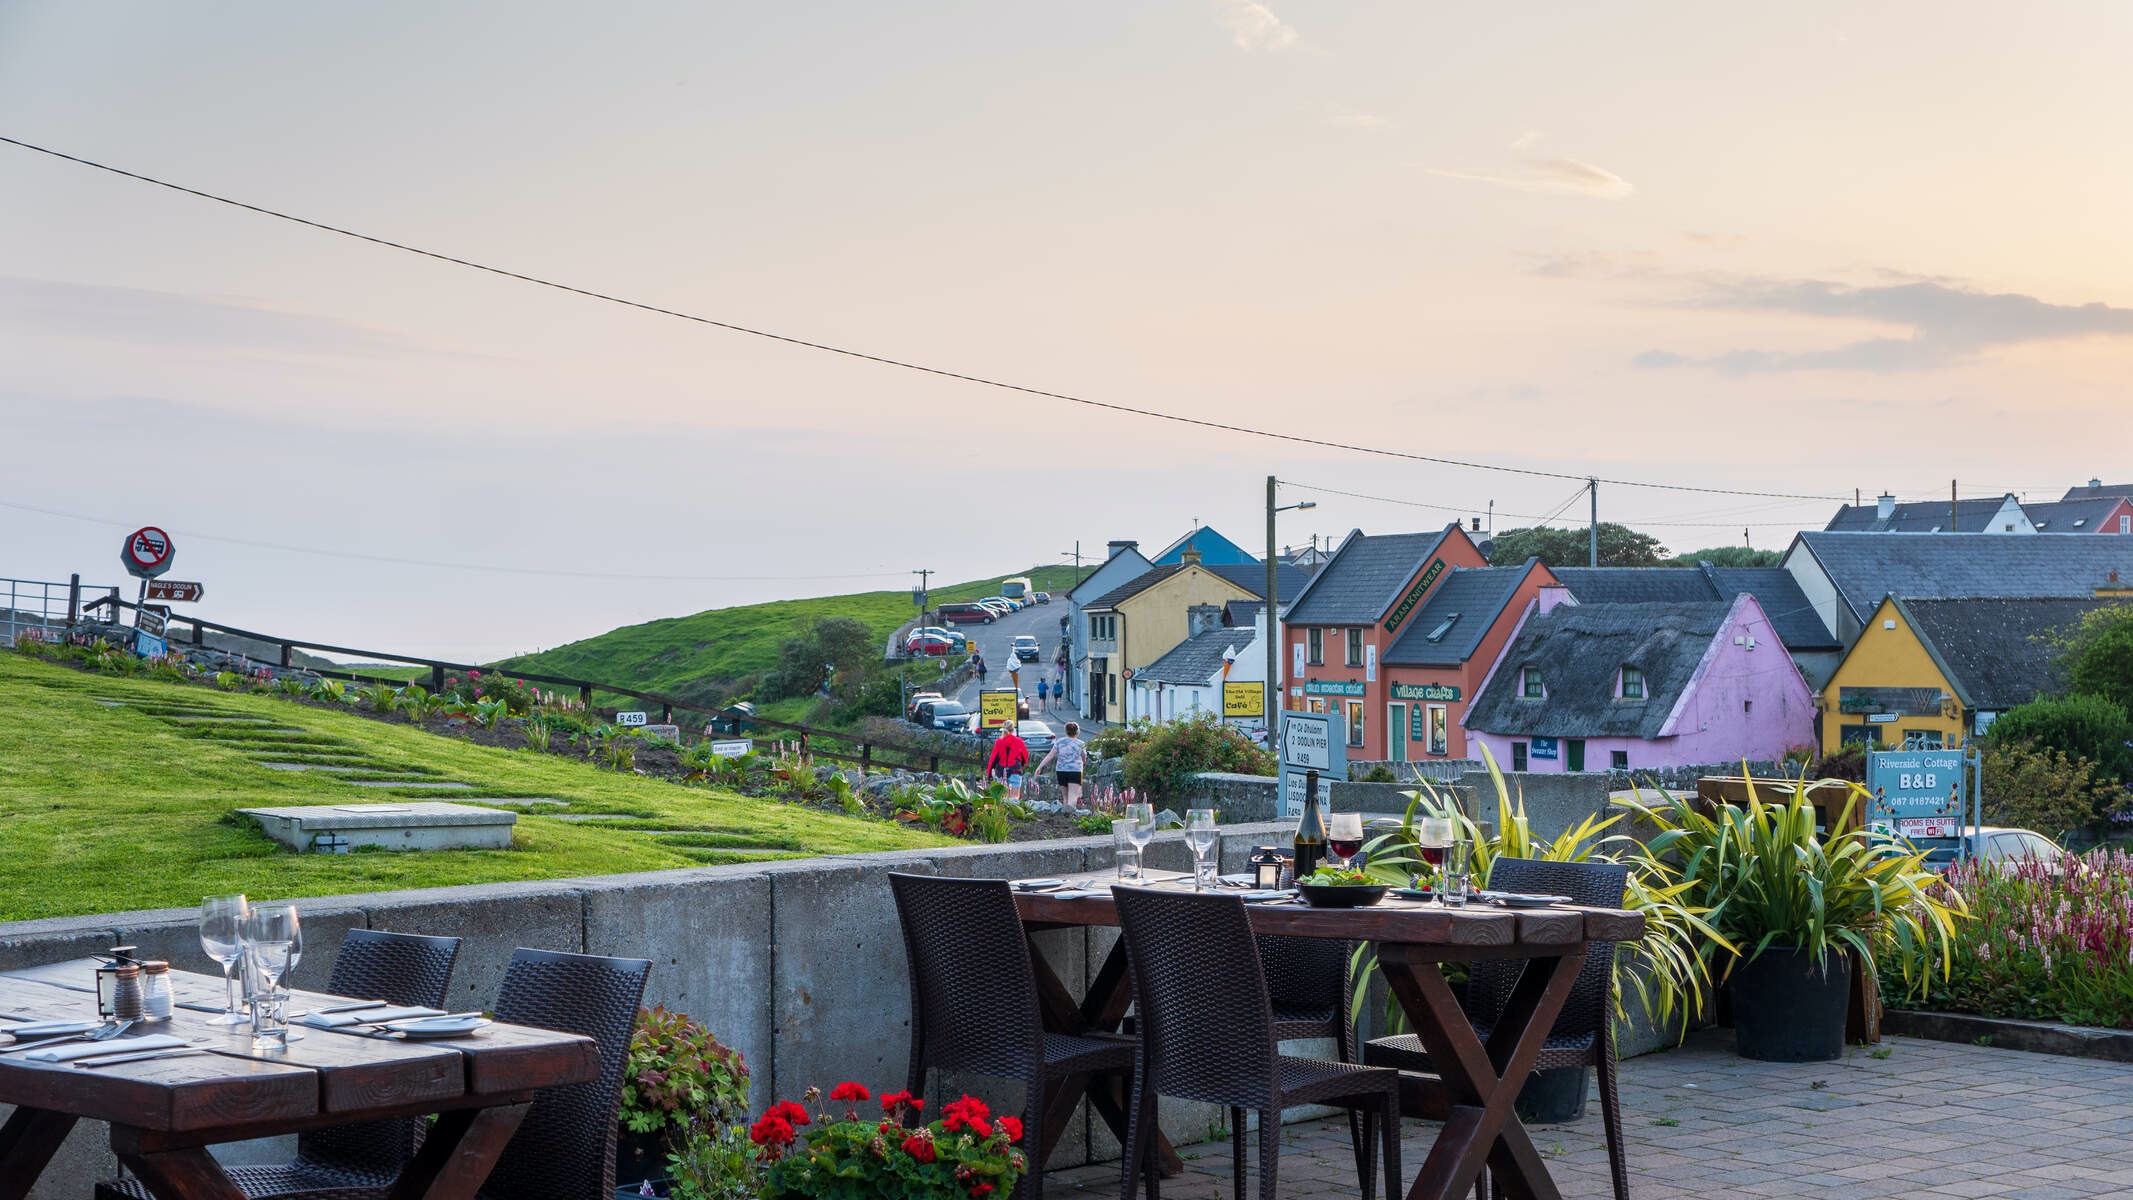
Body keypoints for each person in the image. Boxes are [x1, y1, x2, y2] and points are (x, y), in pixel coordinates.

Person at [1034, 720, 1087, 810]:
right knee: (1073, 796)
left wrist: (1039, 767)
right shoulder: (1081, 744)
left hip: (1061, 771)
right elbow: (1084, 758)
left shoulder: (1059, 742)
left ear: (1066, 731)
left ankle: (1064, 815)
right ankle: (1070, 815)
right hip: (1075, 771)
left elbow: (1050, 755)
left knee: (1065, 797)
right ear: (1077, 732)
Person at [986, 720, 1030, 799]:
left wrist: (989, 774)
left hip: (1001, 773)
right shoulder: (1019, 742)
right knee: (1014, 800)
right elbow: (1025, 757)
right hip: (1015, 772)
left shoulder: (999, 742)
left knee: (1003, 799)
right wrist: (1021, 766)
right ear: (1013, 730)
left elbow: (993, 759)